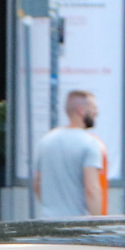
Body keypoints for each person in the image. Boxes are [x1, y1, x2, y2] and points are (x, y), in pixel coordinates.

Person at [34, 88, 108, 219]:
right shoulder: (90, 143)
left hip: (46, 223)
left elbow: (37, 185)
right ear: (81, 110)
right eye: (93, 108)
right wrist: (97, 222)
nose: (97, 112)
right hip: (76, 225)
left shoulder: (46, 141)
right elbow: (92, 189)